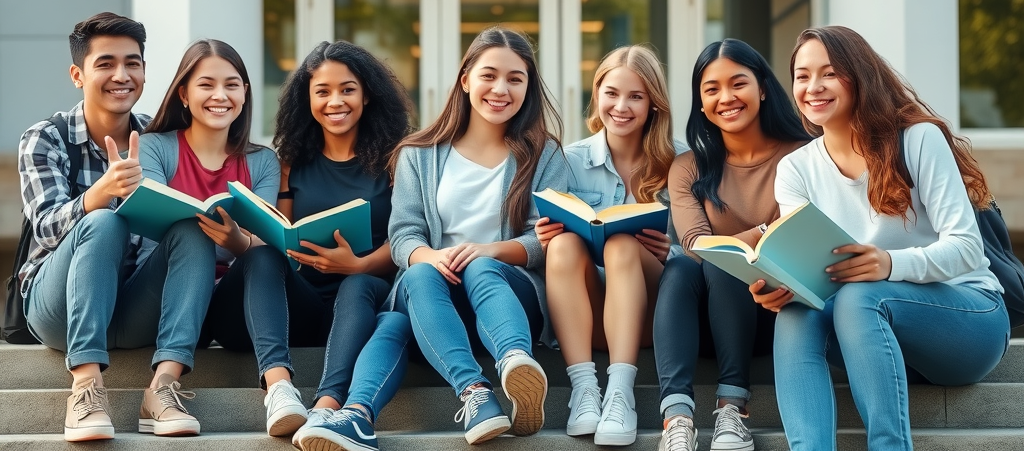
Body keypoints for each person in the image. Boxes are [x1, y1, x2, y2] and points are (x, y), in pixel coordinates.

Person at [756, 26, 1009, 451]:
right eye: (802, 76)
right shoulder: (796, 169)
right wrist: (784, 285)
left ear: (860, 76)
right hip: (869, 337)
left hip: (968, 322)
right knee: (797, 313)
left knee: (861, 296)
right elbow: (815, 266)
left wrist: (889, 264)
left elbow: (967, 248)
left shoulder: (917, 139)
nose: (812, 87)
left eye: (829, 73)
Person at [201, 40, 414, 451]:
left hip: (359, 301)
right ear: (308, 98)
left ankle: (325, 407)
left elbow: (407, 233)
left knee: (359, 286)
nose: (335, 101)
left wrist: (359, 265)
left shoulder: (398, 159)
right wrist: (251, 238)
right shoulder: (289, 161)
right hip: (296, 302)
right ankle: (279, 391)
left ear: (367, 94)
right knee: (261, 254)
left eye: (347, 89)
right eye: (323, 91)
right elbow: (278, 230)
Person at [19, 12, 214, 440]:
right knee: (103, 221)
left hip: (133, 303)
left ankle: (163, 389)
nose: (121, 75)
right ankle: (86, 389)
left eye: (133, 63)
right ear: (78, 74)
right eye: (105, 63)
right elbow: (47, 230)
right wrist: (101, 192)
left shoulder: (161, 139)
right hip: (58, 310)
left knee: (193, 226)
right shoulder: (46, 138)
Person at [387, 25, 567, 445]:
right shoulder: (418, 154)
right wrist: (432, 257)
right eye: (489, 75)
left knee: (484, 266)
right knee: (419, 275)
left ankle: (517, 366)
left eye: (515, 78)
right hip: (434, 299)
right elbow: (403, 236)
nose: (500, 88)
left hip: (508, 298)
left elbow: (548, 238)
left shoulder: (546, 154)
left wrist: (489, 251)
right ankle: (476, 394)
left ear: (528, 88)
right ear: (466, 80)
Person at [654, 39, 811, 451]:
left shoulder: (804, 156)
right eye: (711, 89)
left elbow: (806, 237)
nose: (726, 98)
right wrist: (765, 230)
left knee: (718, 258)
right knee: (684, 266)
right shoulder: (689, 166)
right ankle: (676, 419)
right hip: (703, 323)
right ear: (701, 103)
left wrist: (732, 242)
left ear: (762, 87)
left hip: (777, 313)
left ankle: (732, 411)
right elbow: (693, 244)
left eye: (737, 83)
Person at [536, 44, 682, 446]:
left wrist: (673, 251)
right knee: (563, 245)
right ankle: (585, 391)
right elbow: (545, 229)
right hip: (590, 315)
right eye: (612, 93)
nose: (621, 106)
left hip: (655, 314)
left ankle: (620, 393)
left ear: (654, 103)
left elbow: (703, 244)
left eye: (636, 96)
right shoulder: (569, 159)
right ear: (597, 94)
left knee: (620, 245)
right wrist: (545, 237)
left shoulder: (682, 160)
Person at [136, 39, 279, 433]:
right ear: (183, 92)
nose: (221, 95)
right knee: (189, 229)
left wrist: (237, 241)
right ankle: (161, 388)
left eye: (232, 85)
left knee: (261, 256)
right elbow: (151, 232)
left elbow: (262, 241)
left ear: (245, 93)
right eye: (206, 84)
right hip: (165, 290)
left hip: (230, 302)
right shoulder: (155, 148)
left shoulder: (262, 161)